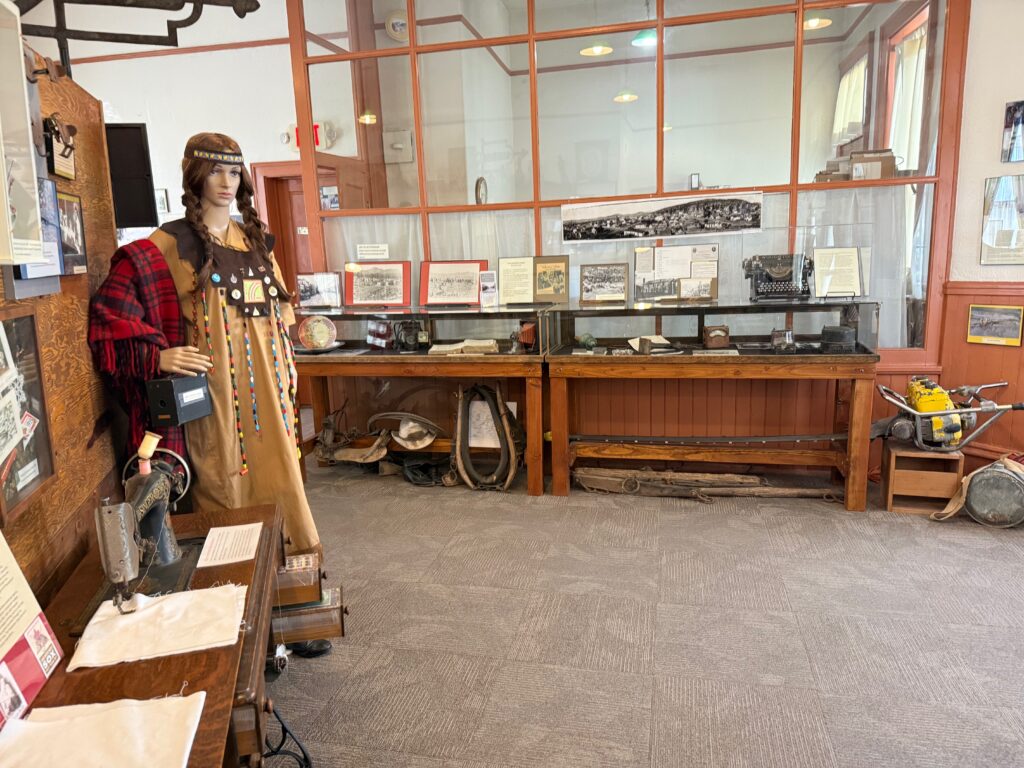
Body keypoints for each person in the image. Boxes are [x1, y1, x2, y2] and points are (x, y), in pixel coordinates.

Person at [91, 132, 320, 558]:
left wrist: (288, 370)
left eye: (233, 172)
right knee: (224, 477)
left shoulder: (257, 242)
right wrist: (155, 356)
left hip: (270, 392)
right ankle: (234, 567)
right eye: (215, 171)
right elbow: (112, 315)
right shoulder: (166, 246)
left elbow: (282, 316)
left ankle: (288, 559)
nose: (226, 182)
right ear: (195, 175)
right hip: (215, 394)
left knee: (281, 471)